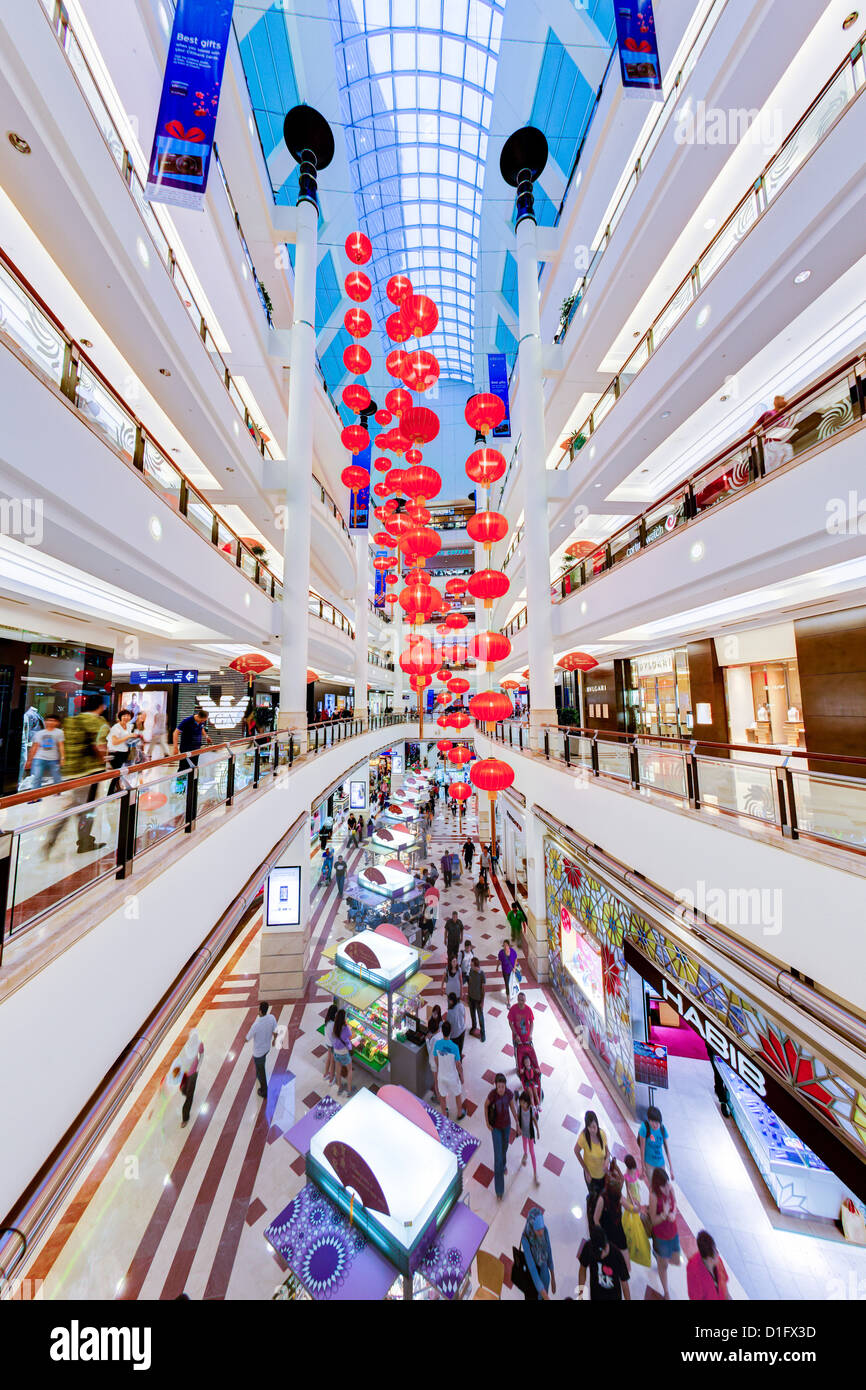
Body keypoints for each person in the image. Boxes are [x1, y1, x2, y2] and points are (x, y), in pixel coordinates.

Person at [44, 694, 110, 856]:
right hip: (90, 772)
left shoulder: (73, 720)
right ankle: (84, 841)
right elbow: (99, 746)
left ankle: (55, 836)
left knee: (75, 805)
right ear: (101, 706)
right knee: (87, 808)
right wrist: (104, 761)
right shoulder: (98, 722)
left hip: (73, 771)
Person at [485, 1072, 518, 1201]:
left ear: (505, 1086)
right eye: (499, 1087)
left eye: (502, 1087)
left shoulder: (509, 1094)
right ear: (495, 1086)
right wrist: (487, 1122)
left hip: (506, 1127)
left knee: (504, 1149)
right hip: (496, 1129)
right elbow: (485, 1106)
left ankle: (504, 1165)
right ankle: (499, 1190)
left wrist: (517, 1123)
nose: (501, 1089)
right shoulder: (492, 1095)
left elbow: (513, 1108)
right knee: (497, 1158)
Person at [648, 1168, 681, 1299]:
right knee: (664, 1265)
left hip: (672, 1232)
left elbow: (675, 1203)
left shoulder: (670, 1188)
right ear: (657, 1186)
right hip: (661, 1236)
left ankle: (657, 1255)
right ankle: (666, 1291)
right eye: (664, 1186)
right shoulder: (654, 1196)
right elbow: (653, 1221)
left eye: (668, 1184)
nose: (667, 1188)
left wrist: (673, 1213)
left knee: (672, 1259)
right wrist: (664, 1214)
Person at [593, 1164, 629, 1270]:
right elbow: (596, 1219)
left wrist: (616, 1166)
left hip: (617, 1227)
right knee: (608, 1259)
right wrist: (602, 1237)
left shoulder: (617, 1192)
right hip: (607, 1231)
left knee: (624, 1257)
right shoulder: (602, 1199)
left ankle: (621, 1270)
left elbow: (622, 1179)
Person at [578, 1227, 631, 1302]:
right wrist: (580, 1293)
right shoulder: (588, 1247)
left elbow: (624, 1282)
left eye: (602, 1253)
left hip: (614, 1296)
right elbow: (582, 1269)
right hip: (596, 1295)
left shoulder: (617, 1254)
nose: (601, 1257)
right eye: (597, 1254)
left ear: (606, 1245)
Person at [575, 1110, 610, 1212]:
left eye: (594, 1127)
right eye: (589, 1127)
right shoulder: (584, 1137)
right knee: (593, 1197)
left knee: (602, 1196)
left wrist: (607, 1160)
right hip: (591, 1175)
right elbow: (576, 1151)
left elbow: (607, 1151)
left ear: (597, 1124)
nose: (592, 1130)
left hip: (603, 1175)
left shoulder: (602, 1134)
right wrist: (586, 1170)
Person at [433, 1020, 466, 1121]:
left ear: (442, 1031)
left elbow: (436, 1060)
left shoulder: (437, 1044)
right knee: (457, 1094)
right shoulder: (455, 1047)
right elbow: (458, 1064)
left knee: (442, 1096)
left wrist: (441, 1067)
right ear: (451, 1031)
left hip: (441, 1076)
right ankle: (460, 1113)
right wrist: (462, 1076)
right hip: (452, 1077)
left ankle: (444, 1114)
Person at [520, 1206, 555, 1299]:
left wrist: (553, 1277)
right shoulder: (525, 1238)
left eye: (542, 1228)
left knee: (545, 1286)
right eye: (538, 1230)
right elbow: (532, 1269)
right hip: (533, 1273)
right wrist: (546, 1296)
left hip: (543, 1266)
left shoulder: (544, 1230)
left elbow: (549, 1252)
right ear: (532, 1226)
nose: (541, 1232)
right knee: (534, 1294)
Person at [687, 1230, 731, 1301]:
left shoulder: (718, 1262)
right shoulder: (694, 1272)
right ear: (708, 1258)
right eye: (715, 1252)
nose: (718, 1253)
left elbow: (725, 1287)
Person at [246, 1001, 278, 1100]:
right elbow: (275, 1031)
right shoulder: (271, 1018)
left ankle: (264, 1091)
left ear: (260, 1011)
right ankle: (258, 1073)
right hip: (266, 1048)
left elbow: (247, 1038)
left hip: (258, 1053)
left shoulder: (256, 1025)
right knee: (260, 1064)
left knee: (261, 1070)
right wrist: (274, 1040)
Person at [24, 713, 64, 790]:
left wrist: (62, 758)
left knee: (57, 777)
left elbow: (61, 746)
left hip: (54, 759)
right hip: (39, 758)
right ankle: (35, 796)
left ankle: (57, 792)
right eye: (48, 720)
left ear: (57, 723)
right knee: (37, 778)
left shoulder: (59, 733)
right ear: (45, 722)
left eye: (53, 721)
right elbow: (34, 747)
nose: (50, 722)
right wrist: (29, 760)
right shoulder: (39, 733)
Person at [638, 1105, 674, 1184]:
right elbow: (642, 1148)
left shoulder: (662, 1129)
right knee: (653, 1187)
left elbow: (667, 1149)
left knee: (663, 1185)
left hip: (660, 1163)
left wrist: (671, 1168)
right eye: (653, 1122)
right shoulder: (644, 1128)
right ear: (648, 1120)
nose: (655, 1125)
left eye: (657, 1122)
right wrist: (643, 1166)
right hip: (649, 1164)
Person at [107, 708, 137, 795]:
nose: (126, 717)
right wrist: (128, 737)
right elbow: (115, 742)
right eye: (124, 716)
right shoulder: (116, 728)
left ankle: (117, 789)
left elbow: (127, 738)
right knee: (117, 774)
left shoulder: (128, 726)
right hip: (115, 753)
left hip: (124, 752)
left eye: (128, 715)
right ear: (120, 717)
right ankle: (110, 793)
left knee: (119, 773)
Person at [173, 707, 212, 773]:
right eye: (204, 720)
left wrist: (206, 736)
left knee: (193, 767)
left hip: (196, 748)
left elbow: (201, 728)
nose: (204, 721)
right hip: (186, 748)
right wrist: (175, 747)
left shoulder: (201, 722)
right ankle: (180, 783)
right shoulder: (187, 721)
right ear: (200, 717)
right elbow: (175, 733)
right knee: (183, 767)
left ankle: (190, 782)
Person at [179, 1030, 204, 1128]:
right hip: (185, 1073)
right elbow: (182, 1058)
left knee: (189, 1097)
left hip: (193, 1074)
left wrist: (198, 1068)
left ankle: (185, 1118)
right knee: (183, 1090)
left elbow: (201, 1055)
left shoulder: (199, 1045)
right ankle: (187, 1092)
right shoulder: (187, 1045)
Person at [517, 1089, 540, 1185]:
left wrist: (538, 1131)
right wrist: (517, 1127)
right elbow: (518, 1118)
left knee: (532, 1152)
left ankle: (535, 1173)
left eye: (523, 1103)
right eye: (520, 1102)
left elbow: (534, 1120)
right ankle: (525, 1154)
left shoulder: (531, 1109)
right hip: (523, 1131)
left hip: (530, 1133)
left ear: (528, 1103)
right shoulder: (519, 1108)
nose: (522, 1105)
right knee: (524, 1144)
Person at [332, 1007, 355, 1096]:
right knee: (349, 1070)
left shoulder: (335, 1026)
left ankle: (340, 1088)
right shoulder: (345, 1028)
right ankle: (349, 1090)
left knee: (338, 1070)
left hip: (336, 1051)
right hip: (344, 1053)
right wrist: (349, 1027)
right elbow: (350, 1036)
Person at [467, 956, 486, 1040]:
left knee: (480, 1016)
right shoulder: (471, 971)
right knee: (472, 1014)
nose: (470, 966)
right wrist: (468, 995)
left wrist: (482, 1001)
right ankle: (473, 1027)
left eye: (471, 965)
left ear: (476, 966)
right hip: (471, 997)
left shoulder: (482, 974)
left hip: (478, 999)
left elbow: (483, 989)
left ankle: (483, 1033)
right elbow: (470, 984)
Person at [425, 1014, 442, 1105]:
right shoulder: (441, 1033)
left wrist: (427, 1040)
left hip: (435, 1064)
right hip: (443, 1061)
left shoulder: (434, 1040)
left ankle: (438, 1099)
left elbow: (430, 1052)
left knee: (436, 1082)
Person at [446, 991, 466, 1057]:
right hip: (463, 1030)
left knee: (454, 1051)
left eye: (448, 1000)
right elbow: (464, 1016)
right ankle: (460, 1059)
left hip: (455, 1035)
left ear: (451, 1001)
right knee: (460, 1048)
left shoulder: (450, 1012)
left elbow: (448, 1026)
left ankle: (456, 1063)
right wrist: (462, 1025)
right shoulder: (461, 1005)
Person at [323, 1003, 338, 1086]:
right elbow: (335, 1036)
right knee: (333, 1061)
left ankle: (326, 1074)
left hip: (328, 1043)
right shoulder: (333, 1024)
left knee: (328, 1058)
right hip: (333, 1045)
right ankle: (331, 1079)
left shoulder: (327, 1020)